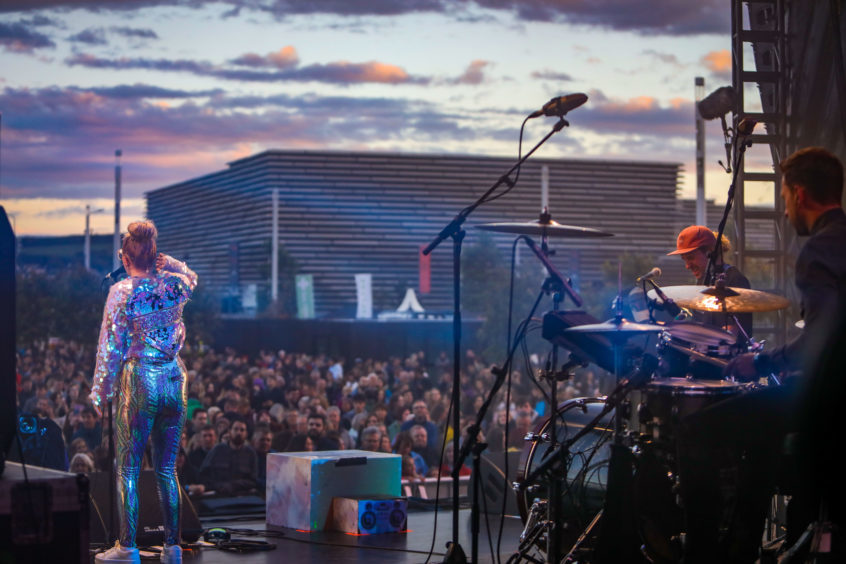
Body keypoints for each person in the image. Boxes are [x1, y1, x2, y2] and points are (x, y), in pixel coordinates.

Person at [678, 147, 846, 563]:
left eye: (785, 198)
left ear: (800, 194)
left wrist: (765, 362)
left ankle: (714, 555)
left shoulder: (819, 251)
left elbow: (822, 340)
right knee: (762, 429)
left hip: (829, 401)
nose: (786, 210)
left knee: (698, 430)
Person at [90, 220, 197, 564]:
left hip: (140, 380)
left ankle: (127, 547)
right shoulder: (175, 284)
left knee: (129, 470)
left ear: (124, 256)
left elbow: (109, 348)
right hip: (174, 378)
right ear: (156, 255)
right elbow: (193, 279)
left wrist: (99, 394)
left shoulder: (122, 291)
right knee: (167, 469)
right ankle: (173, 547)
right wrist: (176, 264)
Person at [667, 224, 753, 338]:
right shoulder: (703, 281)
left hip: (729, 354)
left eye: (690, 258)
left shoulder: (735, 281)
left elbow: (731, 334)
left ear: (710, 253)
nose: (687, 266)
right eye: (684, 260)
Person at [199, 419, 258, 496]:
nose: (239, 433)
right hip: (218, 495)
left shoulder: (251, 453)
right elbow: (204, 475)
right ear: (229, 431)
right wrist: (218, 486)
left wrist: (235, 485)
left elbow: (253, 479)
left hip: (243, 495)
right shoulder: (217, 450)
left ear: (246, 434)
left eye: (242, 430)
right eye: (236, 429)